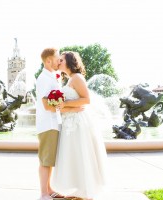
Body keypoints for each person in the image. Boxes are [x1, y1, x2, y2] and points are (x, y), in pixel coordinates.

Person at [51, 51, 107, 200]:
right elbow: (63, 106)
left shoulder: (77, 78)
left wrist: (65, 104)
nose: (58, 62)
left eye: (61, 60)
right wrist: (64, 107)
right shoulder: (68, 80)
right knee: (73, 155)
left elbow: (86, 99)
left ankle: (87, 193)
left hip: (79, 122)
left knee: (82, 154)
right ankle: (78, 191)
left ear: (69, 61)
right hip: (69, 122)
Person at [36, 48, 82, 200]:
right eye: (57, 59)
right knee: (45, 160)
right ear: (49, 61)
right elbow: (46, 105)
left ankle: (49, 190)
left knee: (49, 159)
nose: (59, 62)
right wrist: (69, 106)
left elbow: (54, 103)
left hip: (54, 123)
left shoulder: (52, 77)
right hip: (48, 124)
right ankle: (43, 193)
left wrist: (68, 106)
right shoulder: (44, 79)